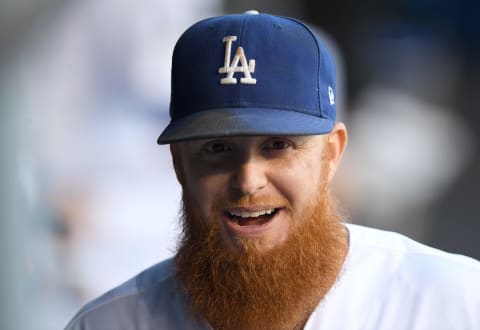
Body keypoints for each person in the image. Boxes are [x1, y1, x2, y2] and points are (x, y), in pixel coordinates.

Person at [66, 11, 480, 330]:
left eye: (278, 146)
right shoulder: (112, 323)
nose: (248, 180)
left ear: (332, 154)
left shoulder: (452, 302)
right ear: (179, 164)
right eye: (217, 148)